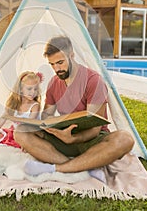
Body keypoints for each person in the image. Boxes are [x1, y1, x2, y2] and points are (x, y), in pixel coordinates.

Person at [14, 36, 134, 182]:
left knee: (125, 139)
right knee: (20, 132)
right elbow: (46, 117)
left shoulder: (93, 81)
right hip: (63, 137)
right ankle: (87, 168)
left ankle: (56, 168)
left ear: (71, 55)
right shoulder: (54, 83)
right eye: (52, 64)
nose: (57, 69)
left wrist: (74, 139)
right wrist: (46, 127)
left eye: (60, 62)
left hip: (92, 141)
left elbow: (95, 128)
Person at [0, 71, 42, 148]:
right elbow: (1, 120)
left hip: (28, 133)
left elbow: (29, 124)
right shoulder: (14, 104)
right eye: (29, 89)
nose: (33, 92)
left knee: (21, 143)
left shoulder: (35, 106)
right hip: (14, 131)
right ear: (20, 89)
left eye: (35, 89)